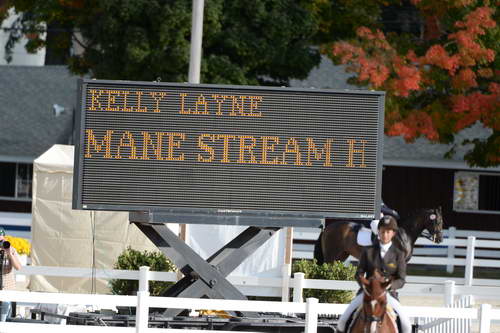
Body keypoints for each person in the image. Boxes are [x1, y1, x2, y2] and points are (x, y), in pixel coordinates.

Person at [336, 215, 411, 333]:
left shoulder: (398, 254)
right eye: (382, 232)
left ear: (393, 233)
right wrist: (366, 286)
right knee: (342, 322)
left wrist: (388, 286)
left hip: (388, 294)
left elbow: (401, 279)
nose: (385, 235)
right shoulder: (368, 251)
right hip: (367, 294)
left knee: (406, 325)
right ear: (378, 233)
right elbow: (359, 273)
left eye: (388, 232)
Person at [0, 228, 22, 321]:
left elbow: (18, 267)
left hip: (7, 288)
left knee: (3, 320)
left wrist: (9, 253)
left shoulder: (11, 250)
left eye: (1, 240)